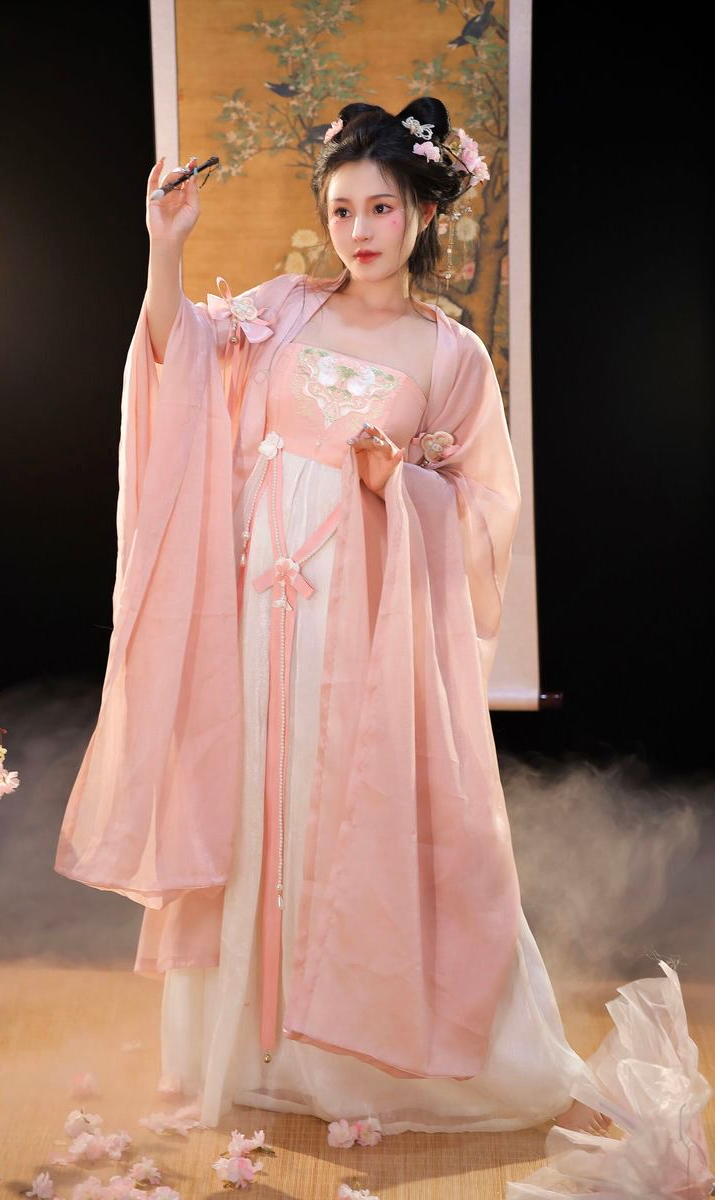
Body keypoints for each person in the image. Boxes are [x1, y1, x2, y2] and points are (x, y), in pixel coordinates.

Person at [54, 97, 612, 1137]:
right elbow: (176, 367)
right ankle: (257, 1054)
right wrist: (165, 248)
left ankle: (353, 1060)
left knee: (344, 819)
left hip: (362, 641)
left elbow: (487, 511)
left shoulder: (451, 356)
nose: (359, 230)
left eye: (381, 209)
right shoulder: (283, 311)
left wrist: (402, 484)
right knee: (254, 814)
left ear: (422, 215)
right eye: (342, 208)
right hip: (254, 626)